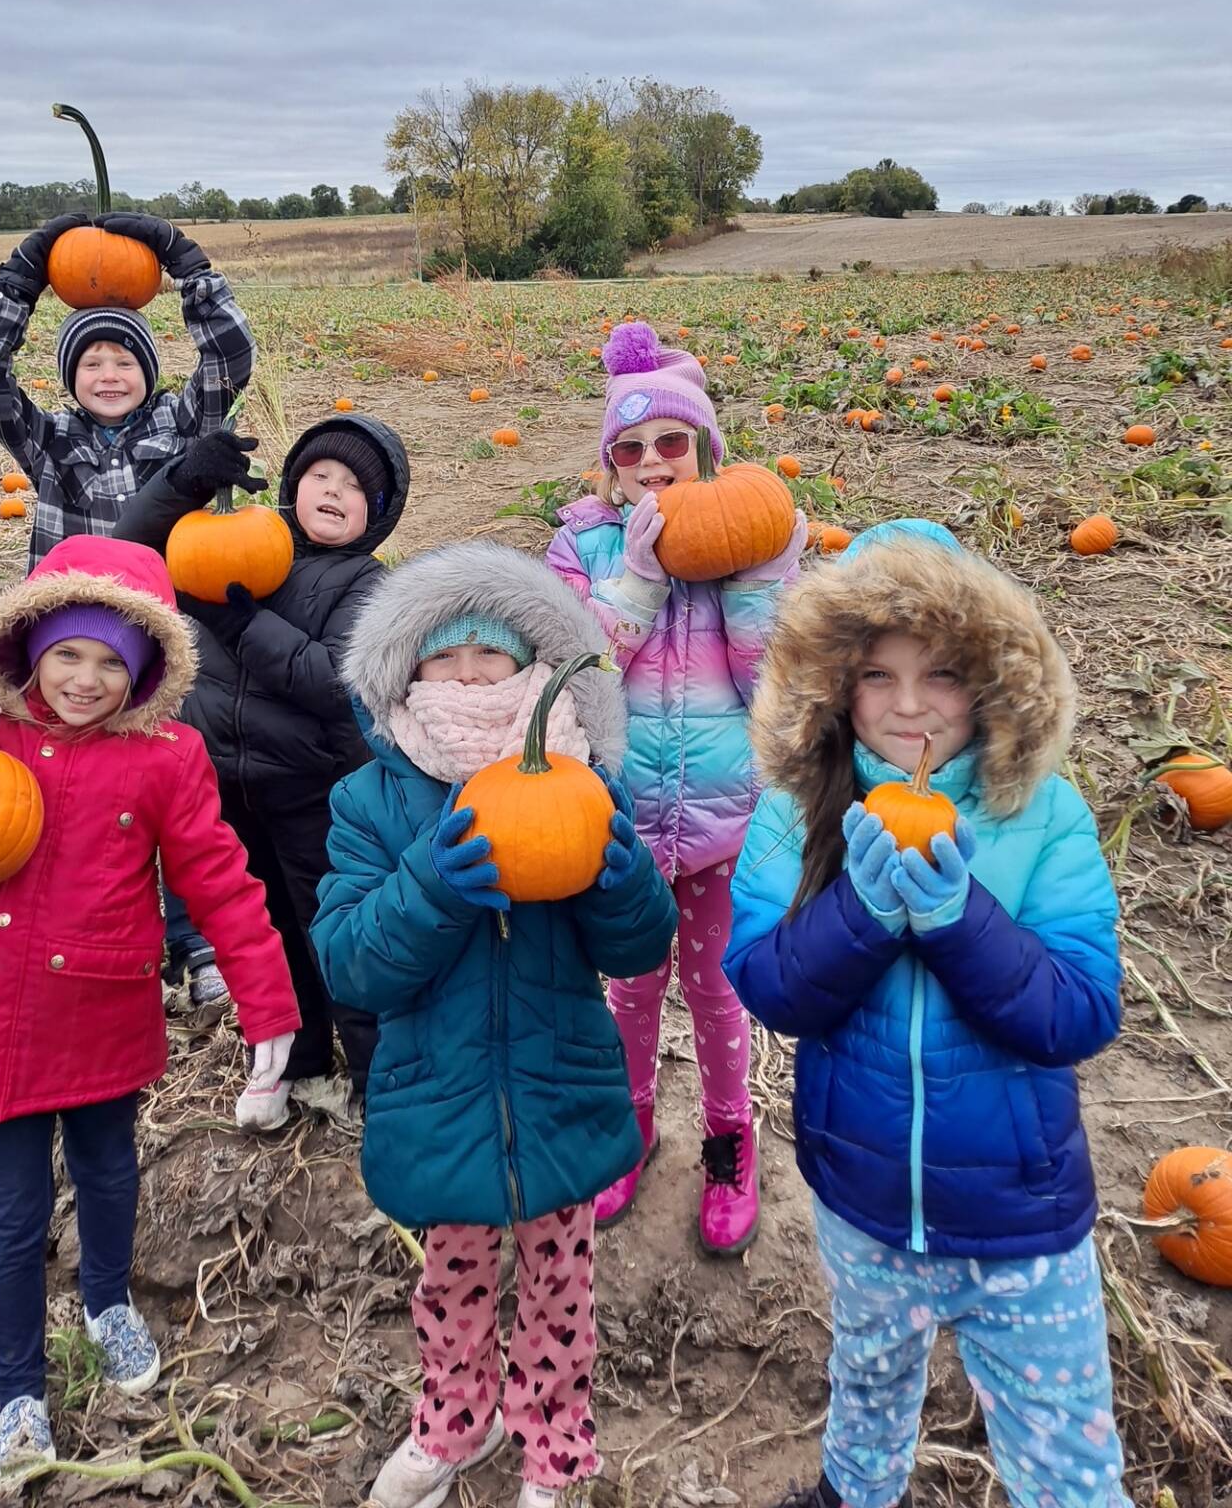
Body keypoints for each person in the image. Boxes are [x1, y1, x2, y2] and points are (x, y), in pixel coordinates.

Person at [0, 537, 301, 1482]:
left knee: (110, 1171)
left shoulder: (166, 755)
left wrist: (267, 1005)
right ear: (29, 646)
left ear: (147, 672)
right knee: (11, 1211)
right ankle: (18, 1393)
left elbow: (220, 883)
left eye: (113, 663)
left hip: (102, 1010)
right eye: (67, 653)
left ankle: (107, 1301)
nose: (85, 680)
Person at [723, 520, 1131, 1508]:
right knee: (867, 1378)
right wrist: (860, 915)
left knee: (1063, 1447)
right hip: (861, 1200)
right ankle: (855, 1490)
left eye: (940, 674)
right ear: (835, 685)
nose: (908, 706)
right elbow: (770, 987)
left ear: (989, 679)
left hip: (1019, 1217)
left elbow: (1078, 1012)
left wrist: (958, 922)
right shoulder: (793, 811)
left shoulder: (1042, 814)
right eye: (878, 676)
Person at [311, 541, 678, 1508]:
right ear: (407, 671)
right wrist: (434, 887)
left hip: (560, 1084)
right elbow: (350, 962)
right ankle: (454, 1424)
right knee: (452, 1285)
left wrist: (621, 881)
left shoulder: (583, 780)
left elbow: (639, 948)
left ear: (533, 668)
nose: (470, 675)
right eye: (446, 656)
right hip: (440, 1095)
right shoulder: (373, 800)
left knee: (561, 1288)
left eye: (492, 655)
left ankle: (554, 1445)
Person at [546, 320, 805, 1254]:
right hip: (622, 822)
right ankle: (634, 1125)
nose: (653, 461)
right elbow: (579, 680)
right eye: (631, 447)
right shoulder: (580, 552)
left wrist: (757, 583)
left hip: (722, 823)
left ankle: (730, 1141)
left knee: (716, 990)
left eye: (672, 442)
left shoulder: (749, 548)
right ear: (609, 466)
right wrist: (640, 580)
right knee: (631, 987)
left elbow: (772, 690)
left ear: (706, 452)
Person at [115, 412, 409, 1089]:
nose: (333, 490)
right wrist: (184, 483)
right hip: (226, 786)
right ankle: (300, 1067)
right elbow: (128, 553)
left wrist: (241, 624)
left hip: (317, 792)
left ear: (378, 513)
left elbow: (333, 681)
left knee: (331, 932)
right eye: (320, 475)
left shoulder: (368, 584)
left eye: (354, 486)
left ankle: (377, 1078)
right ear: (291, 486)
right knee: (266, 933)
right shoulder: (237, 542)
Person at [0, 210, 255, 572]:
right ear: (70, 376)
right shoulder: (47, 440)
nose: (109, 376)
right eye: (91, 365)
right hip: (74, 602)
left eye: (125, 364)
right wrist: (14, 289)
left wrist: (192, 272)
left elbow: (231, 356)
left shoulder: (182, 424)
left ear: (149, 373)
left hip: (162, 600)